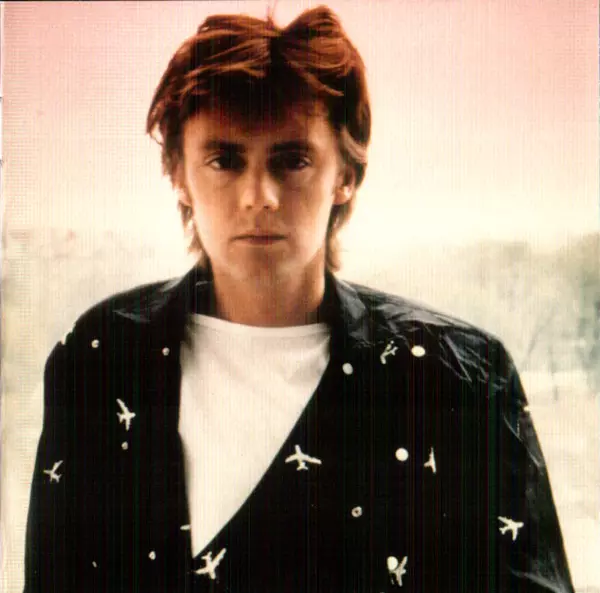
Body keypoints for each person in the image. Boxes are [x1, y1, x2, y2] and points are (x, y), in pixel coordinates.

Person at [24, 5, 575, 593]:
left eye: (291, 160)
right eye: (224, 159)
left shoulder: (457, 379)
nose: (258, 195)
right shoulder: (102, 357)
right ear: (178, 173)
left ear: (346, 175)